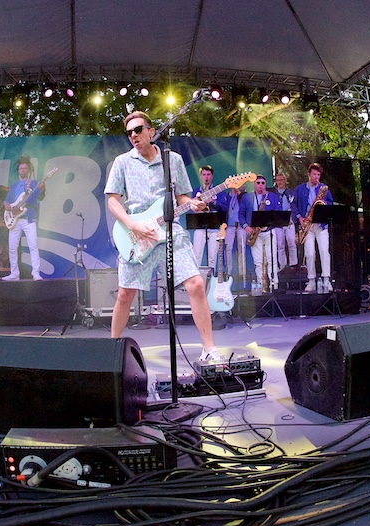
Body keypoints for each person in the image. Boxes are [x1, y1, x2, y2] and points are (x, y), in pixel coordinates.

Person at [105, 111, 221, 362]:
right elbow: (113, 201)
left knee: (197, 285)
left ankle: (210, 349)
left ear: (150, 131)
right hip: (137, 234)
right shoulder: (122, 162)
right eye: (129, 133)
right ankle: (111, 352)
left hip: (170, 231)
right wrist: (132, 225)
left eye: (138, 130)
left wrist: (194, 204)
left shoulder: (173, 160)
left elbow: (182, 197)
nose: (133, 136)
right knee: (125, 294)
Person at [292, 163, 334, 293]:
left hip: (321, 225)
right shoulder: (299, 189)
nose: (317, 177)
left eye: (318, 175)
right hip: (307, 225)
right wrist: (299, 217)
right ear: (309, 174)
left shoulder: (324, 188)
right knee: (309, 254)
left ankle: (326, 279)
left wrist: (324, 204)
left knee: (324, 252)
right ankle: (311, 280)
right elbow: (293, 205)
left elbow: (330, 203)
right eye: (314, 174)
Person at [3, 155, 46, 281]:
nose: (23, 170)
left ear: (28, 170)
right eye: (21, 168)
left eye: (25, 168)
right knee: (12, 247)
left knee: (33, 245)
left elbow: (41, 197)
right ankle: (14, 274)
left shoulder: (33, 183)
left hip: (29, 219)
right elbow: (6, 201)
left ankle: (36, 273)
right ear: (18, 171)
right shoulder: (14, 186)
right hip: (14, 220)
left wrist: (43, 188)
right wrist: (7, 206)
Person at [239, 176, 279, 292]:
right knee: (258, 261)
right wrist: (245, 226)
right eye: (258, 183)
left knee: (272, 259)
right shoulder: (247, 197)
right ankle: (261, 284)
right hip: (254, 232)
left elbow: (278, 211)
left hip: (269, 231)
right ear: (254, 184)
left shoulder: (272, 196)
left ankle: (274, 284)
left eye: (263, 183)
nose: (261, 185)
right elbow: (241, 214)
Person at [190, 165, 224, 266]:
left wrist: (213, 201)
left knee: (212, 258)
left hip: (214, 227)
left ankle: (211, 279)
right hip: (200, 226)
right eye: (204, 175)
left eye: (208, 174)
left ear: (212, 176)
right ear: (201, 176)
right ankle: (198, 280)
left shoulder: (218, 191)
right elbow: (191, 208)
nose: (206, 177)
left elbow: (224, 207)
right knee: (197, 255)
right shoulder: (196, 191)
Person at [271, 172, 298, 269]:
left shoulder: (291, 192)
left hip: (289, 220)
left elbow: (295, 205)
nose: (280, 182)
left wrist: (294, 217)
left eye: (281, 180)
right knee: (280, 244)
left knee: (291, 242)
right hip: (278, 221)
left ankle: (293, 264)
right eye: (278, 180)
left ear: (285, 181)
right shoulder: (273, 193)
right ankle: (282, 265)